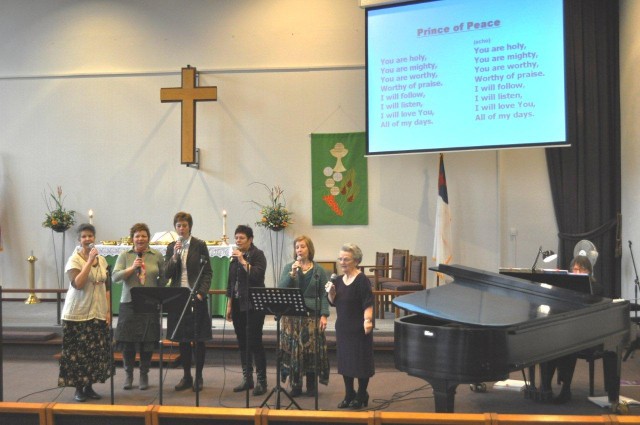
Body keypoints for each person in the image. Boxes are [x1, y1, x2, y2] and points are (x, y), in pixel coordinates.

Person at [58, 223, 112, 402]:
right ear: (79, 240)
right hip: (78, 313)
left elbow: (106, 286)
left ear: (94, 238)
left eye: (90, 236)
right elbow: (78, 284)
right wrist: (89, 261)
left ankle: (89, 387)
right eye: (84, 237)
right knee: (79, 353)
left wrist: (108, 311)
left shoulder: (103, 260)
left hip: (97, 312)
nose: (87, 239)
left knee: (94, 352)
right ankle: (78, 389)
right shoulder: (74, 260)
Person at [112, 223, 166, 391]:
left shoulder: (156, 255)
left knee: (147, 341)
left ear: (148, 238)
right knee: (128, 341)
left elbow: (162, 279)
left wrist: (159, 296)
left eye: (143, 235)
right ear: (132, 238)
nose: (140, 239)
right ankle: (128, 374)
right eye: (137, 236)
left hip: (149, 303)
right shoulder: (124, 255)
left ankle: (144, 374)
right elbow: (115, 277)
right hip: (129, 302)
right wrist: (132, 268)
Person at [164, 211, 213, 392]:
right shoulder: (171, 247)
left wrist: (201, 293)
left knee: (198, 339)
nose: (182, 228)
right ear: (175, 228)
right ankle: (186, 376)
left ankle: (199, 376)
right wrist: (175, 256)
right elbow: (167, 273)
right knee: (183, 340)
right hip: (179, 297)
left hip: (196, 297)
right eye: (178, 225)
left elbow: (207, 272)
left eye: (185, 225)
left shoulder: (199, 245)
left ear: (190, 227)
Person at [278, 235, 330, 397]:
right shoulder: (289, 267)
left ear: (309, 249)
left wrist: (324, 315)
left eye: (303, 246)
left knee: (311, 351)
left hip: (311, 316)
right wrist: (292, 274)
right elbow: (281, 288)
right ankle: (295, 385)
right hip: (291, 317)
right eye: (297, 247)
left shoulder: (319, 270)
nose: (299, 249)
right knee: (294, 352)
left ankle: (312, 385)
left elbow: (324, 294)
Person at [326, 243, 374, 409]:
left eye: (346, 259)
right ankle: (349, 394)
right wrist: (331, 293)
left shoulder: (362, 280)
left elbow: (368, 302)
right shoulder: (338, 280)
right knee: (346, 363)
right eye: (340, 259)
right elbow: (333, 303)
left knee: (360, 363)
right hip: (343, 328)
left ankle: (361, 394)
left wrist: (368, 321)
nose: (342, 262)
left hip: (359, 328)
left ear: (356, 261)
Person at [549, 254, 602, 403]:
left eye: (581, 270)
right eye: (575, 269)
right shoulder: (567, 288)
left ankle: (566, 390)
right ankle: (545, 387)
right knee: (548, 345)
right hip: (570, 330)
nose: (577, 273)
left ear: (589, 272)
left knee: (569, 347)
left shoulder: (596, 288)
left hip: (589, 334)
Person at [225, 224, 268, 396]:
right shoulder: (234, 258)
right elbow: (231, 283)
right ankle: (247, 378)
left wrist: (243, 261)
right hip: (237, 304)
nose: (238, 241)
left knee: (255, 342)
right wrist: (228, 305)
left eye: (241, 238)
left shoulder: (258, 255)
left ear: (250, 239)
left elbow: (257, 275)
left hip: (254, 305)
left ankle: (262, 381)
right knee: (242, 342)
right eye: (236, 238)